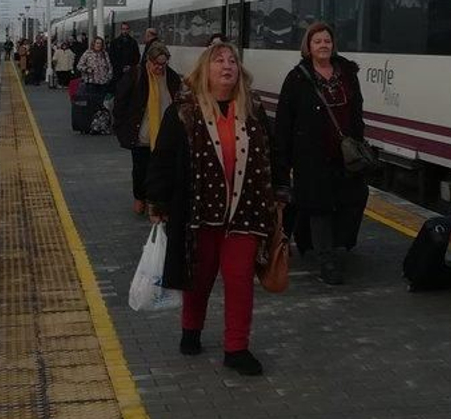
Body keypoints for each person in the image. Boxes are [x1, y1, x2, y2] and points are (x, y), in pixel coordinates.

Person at [147, 40, 283, 376]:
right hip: (199, 214)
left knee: (239, 281)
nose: (227, 66)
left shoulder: (252, 109)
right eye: (219, 61)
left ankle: (236, 348)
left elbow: (272, 153)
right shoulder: (184, 111)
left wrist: (280, 192)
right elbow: (163, 159)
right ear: (205, 70)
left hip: (245, 212)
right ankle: (190, 330)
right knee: (200, 277)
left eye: (232, 61)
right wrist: (158, 201)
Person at [273, 21, 368, 286]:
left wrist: (359, 141)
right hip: (311, 156)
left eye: (327, 40)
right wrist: (284, 160)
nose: (323, 45)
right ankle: (326, 260)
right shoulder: (297, 77)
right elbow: (284, 121)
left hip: (345, 156)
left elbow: (357, 110)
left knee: (351, 199)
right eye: (318, 42)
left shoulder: (347, 73)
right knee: (319, 206)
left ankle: (326, 245)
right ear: (309, 46)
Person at [113, 41, 183, 217]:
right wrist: (121, 126)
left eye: (163, 64)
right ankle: (139, 197)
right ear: (148, 61)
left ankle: (156, 203)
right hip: (141, 135)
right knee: (140, 169)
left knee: (162, 171)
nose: (160, 68)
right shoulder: (135, 75)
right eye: (156, 63)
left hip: (164, 136)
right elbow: (120, 102)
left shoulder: (172, 78)